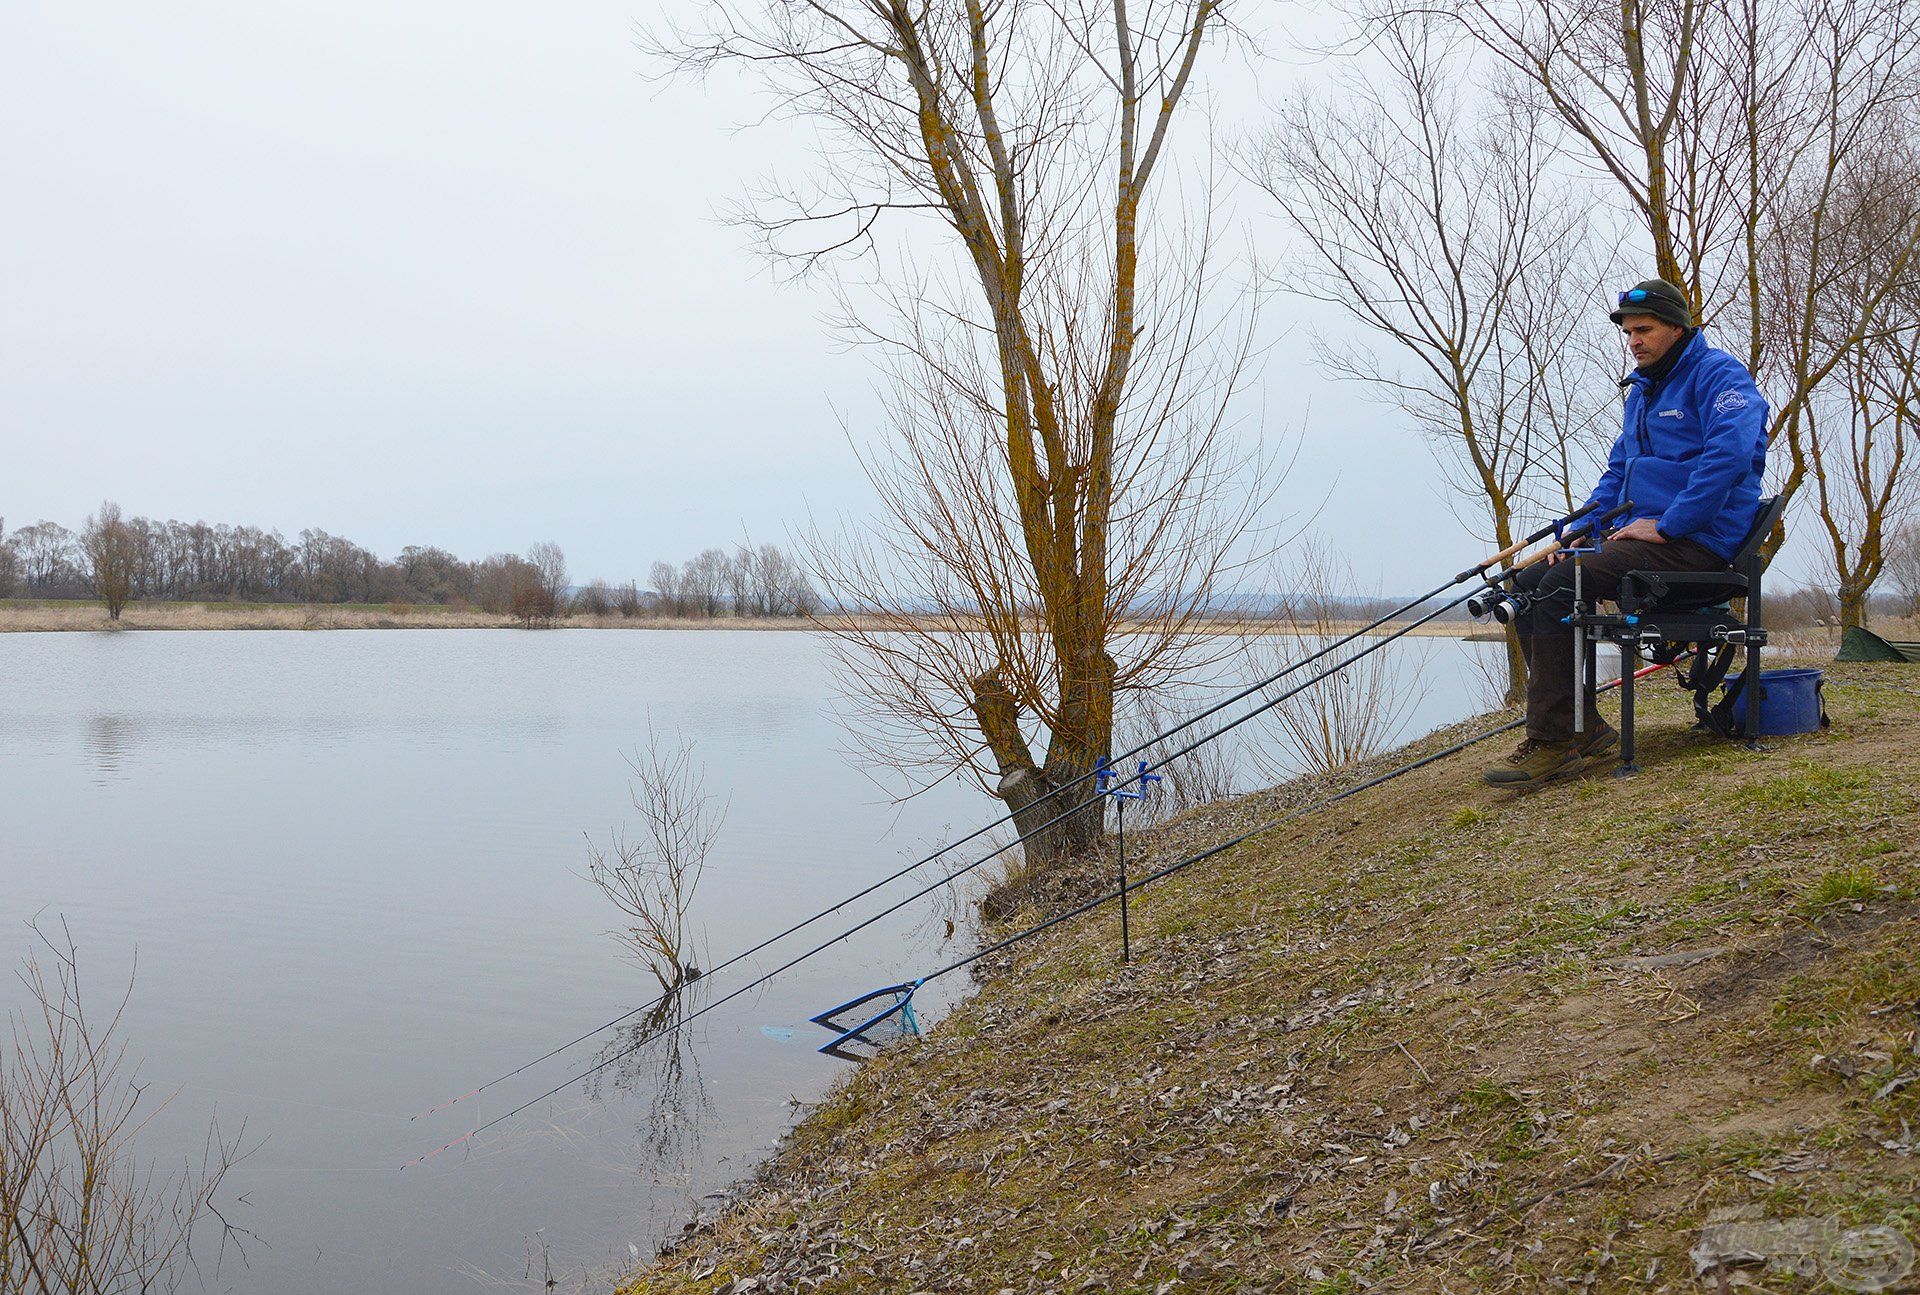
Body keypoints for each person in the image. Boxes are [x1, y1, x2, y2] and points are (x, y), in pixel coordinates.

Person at [1484, 278, 1770, 787]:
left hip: (1698, 543)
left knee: (1564, 584)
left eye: (1645, 329)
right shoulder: (1640, 393)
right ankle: (1586, 728)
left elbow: (1728, 458)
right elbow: (1618, 474)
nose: (1634, 340)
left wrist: (1671, 523)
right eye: (1629, 331)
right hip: (1641, 539)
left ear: (1678, 328)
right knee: (1527, 584)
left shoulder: (1720, 376)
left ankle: (1553, 744)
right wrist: (1581, 531)